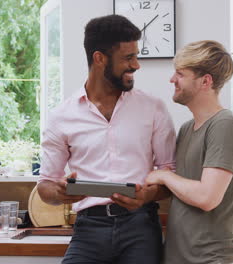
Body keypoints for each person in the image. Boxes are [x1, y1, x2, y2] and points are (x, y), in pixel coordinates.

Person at [37, 14, 176, 264]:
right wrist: (59, 193)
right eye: (128, 57)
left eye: (136, 55)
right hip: (89, 229)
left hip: (141, 226)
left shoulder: (153, 108)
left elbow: (169, 172)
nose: (136, 65)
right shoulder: (61, 117)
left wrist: (147, 195)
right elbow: (45, 186)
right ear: (99, 58)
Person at [146, 40, 233, 264]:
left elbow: (207, 197)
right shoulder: (186, 129)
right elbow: (181, 190)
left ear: (205, 81)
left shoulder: (225, 125)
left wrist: (163, 175)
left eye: (180, 74)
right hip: (178, 257)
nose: (173, 79)